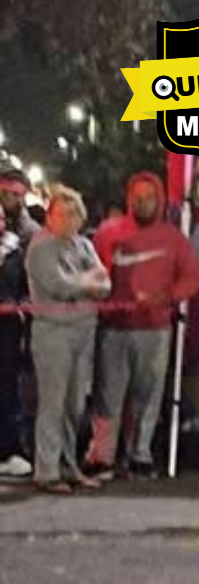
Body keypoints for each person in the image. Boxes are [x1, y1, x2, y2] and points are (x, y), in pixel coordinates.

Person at [85, 171, 199, 480]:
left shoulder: (174, 239)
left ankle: (140, 453)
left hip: (155, 329)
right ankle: (102, 455)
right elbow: (92, 271)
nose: (143, 203)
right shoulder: (109, 232)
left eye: (149, 197)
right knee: (108, 394)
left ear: (159, 200)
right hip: (114, 327)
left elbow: (191, 278)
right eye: (137, 197)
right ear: (128, 199)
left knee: (147, 394)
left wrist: (166, 297)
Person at [25, 187, 111, 494]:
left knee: (75, 404)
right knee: (53, 403)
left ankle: (68, 466)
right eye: (60, 214)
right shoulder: (41, 246)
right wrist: (87, 282)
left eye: (73, 214)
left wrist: (84, 283)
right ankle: (47, 470)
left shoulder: (84, 245)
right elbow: (57, 286)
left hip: (83, 331)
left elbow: (105, 284)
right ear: (49, 217)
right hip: (54, 332)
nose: (67, 220)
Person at [0, 168, 40, 478]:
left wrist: (25, 304)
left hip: (9, 329)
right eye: (8, 194)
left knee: (8, 387)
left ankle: (8, 448)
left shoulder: (25, 236)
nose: (13, 200)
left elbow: (28, 280)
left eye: (18, 194)